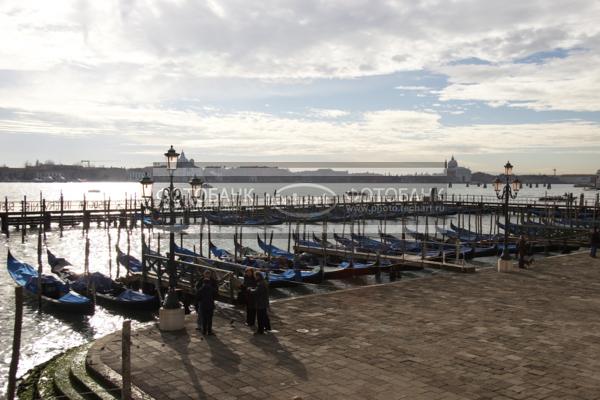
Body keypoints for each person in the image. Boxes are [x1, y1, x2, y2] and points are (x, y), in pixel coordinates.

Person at [196, 270, 216, 335]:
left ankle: (204, 330)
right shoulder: (212, 288)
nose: (207, 275)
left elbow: (198, 296)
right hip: (210, 303)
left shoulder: (201, 289)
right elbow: (215, 294)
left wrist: (199, 300)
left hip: (203, 304)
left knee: (203, 317)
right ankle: (209, 330)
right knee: (209, 318)